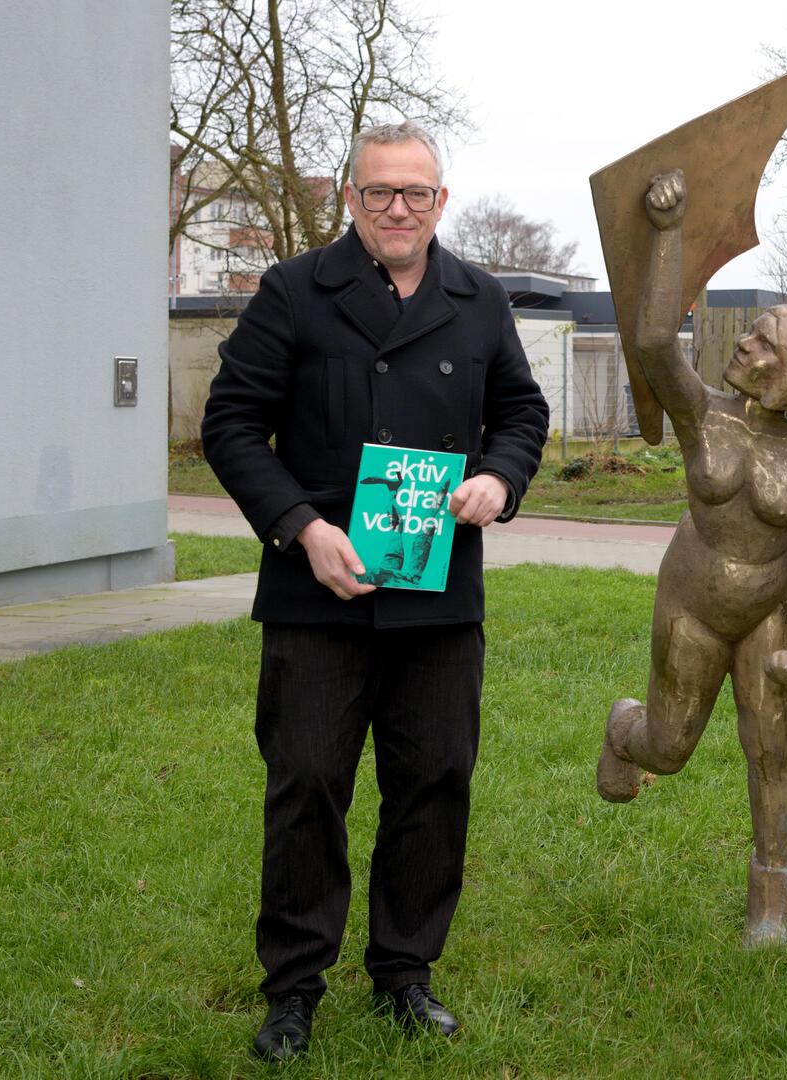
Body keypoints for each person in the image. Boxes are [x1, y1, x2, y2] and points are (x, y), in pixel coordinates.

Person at [201, 120, 549, 1061]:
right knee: (308, 783)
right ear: (349, 199)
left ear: (443, 200)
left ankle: (405, 972)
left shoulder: (478, 298)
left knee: (434, 781)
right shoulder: (292, 293)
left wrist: (500, 479)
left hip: (439, 597)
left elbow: (522, 410)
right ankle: (293, 988)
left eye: (417, 193)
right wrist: (301, 529)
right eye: (379, 192)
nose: (398, 208)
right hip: (320, 590)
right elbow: (231, 424)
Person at [594, 170, 787, 947]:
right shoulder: (701, 415)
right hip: (694, 603)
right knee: (670, 749)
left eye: (762, 343)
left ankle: (773, 899)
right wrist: (671, 232)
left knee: (773, 750)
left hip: (769, 613)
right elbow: (650, 343)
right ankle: (625, 729)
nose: (743, 342)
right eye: (751, 332)